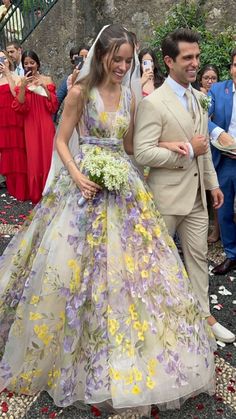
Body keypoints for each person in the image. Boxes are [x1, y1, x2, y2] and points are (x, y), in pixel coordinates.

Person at [0, 24, 216, 414]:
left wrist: (170, 144)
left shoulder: (131, 97)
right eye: (115, 59)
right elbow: (61, 140)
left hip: (124, 187)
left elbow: (132, 146)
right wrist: (78, 174)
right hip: (83, 187)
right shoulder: (80, 93)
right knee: (73, 271)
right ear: (100, 55)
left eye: (127, 60)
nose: (121, 66)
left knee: (133, 273)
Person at [134, 28, 235, 344]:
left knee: (198, 259)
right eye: (187, 58)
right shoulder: (155, 103)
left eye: (197, 57)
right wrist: (188, 149)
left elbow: (203, 147)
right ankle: (155, 321)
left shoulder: (200, 99)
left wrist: (212, 184)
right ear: (169, 61)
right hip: (164, 199)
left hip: (196, 200)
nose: (195, 63)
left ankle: (204, 316)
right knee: (157, 263)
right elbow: (142, 151)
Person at [12, 50, 58, 203]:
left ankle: (50, 192)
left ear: (38, 63)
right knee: (34, 159)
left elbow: (53, 106)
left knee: (48, 157)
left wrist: (44, 87)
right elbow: (19, 106)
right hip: (30, 125)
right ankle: (37, 196)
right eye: (26, 63)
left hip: (45, 123)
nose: (29, 65)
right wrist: (24, 87)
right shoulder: (20, 82)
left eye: (32, 62)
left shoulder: (47, 79)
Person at [208, 49, 236, 275]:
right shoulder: (218, 89)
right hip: (225, 160)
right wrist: (218, 133)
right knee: (224, 210)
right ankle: (231, 254)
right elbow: (200, 117)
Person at [196, 64, 220, 244]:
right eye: (206, 78)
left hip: (220, 148)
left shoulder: (221, 94)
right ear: (201, 79)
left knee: (217, 188)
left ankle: (217, 229)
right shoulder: (199, 97)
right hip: (202, 146)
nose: (210, 81)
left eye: (213, 78)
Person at [0, 49, 29, 200]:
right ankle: (12, 188)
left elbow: (16, 95)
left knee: (19, 152)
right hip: (2, 122)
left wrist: (7, 75)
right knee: (8, 154)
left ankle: (23, 189)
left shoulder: (18, 77)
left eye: (3, 58)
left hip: (15, 119)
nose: (1, 61)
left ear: (8, 61)